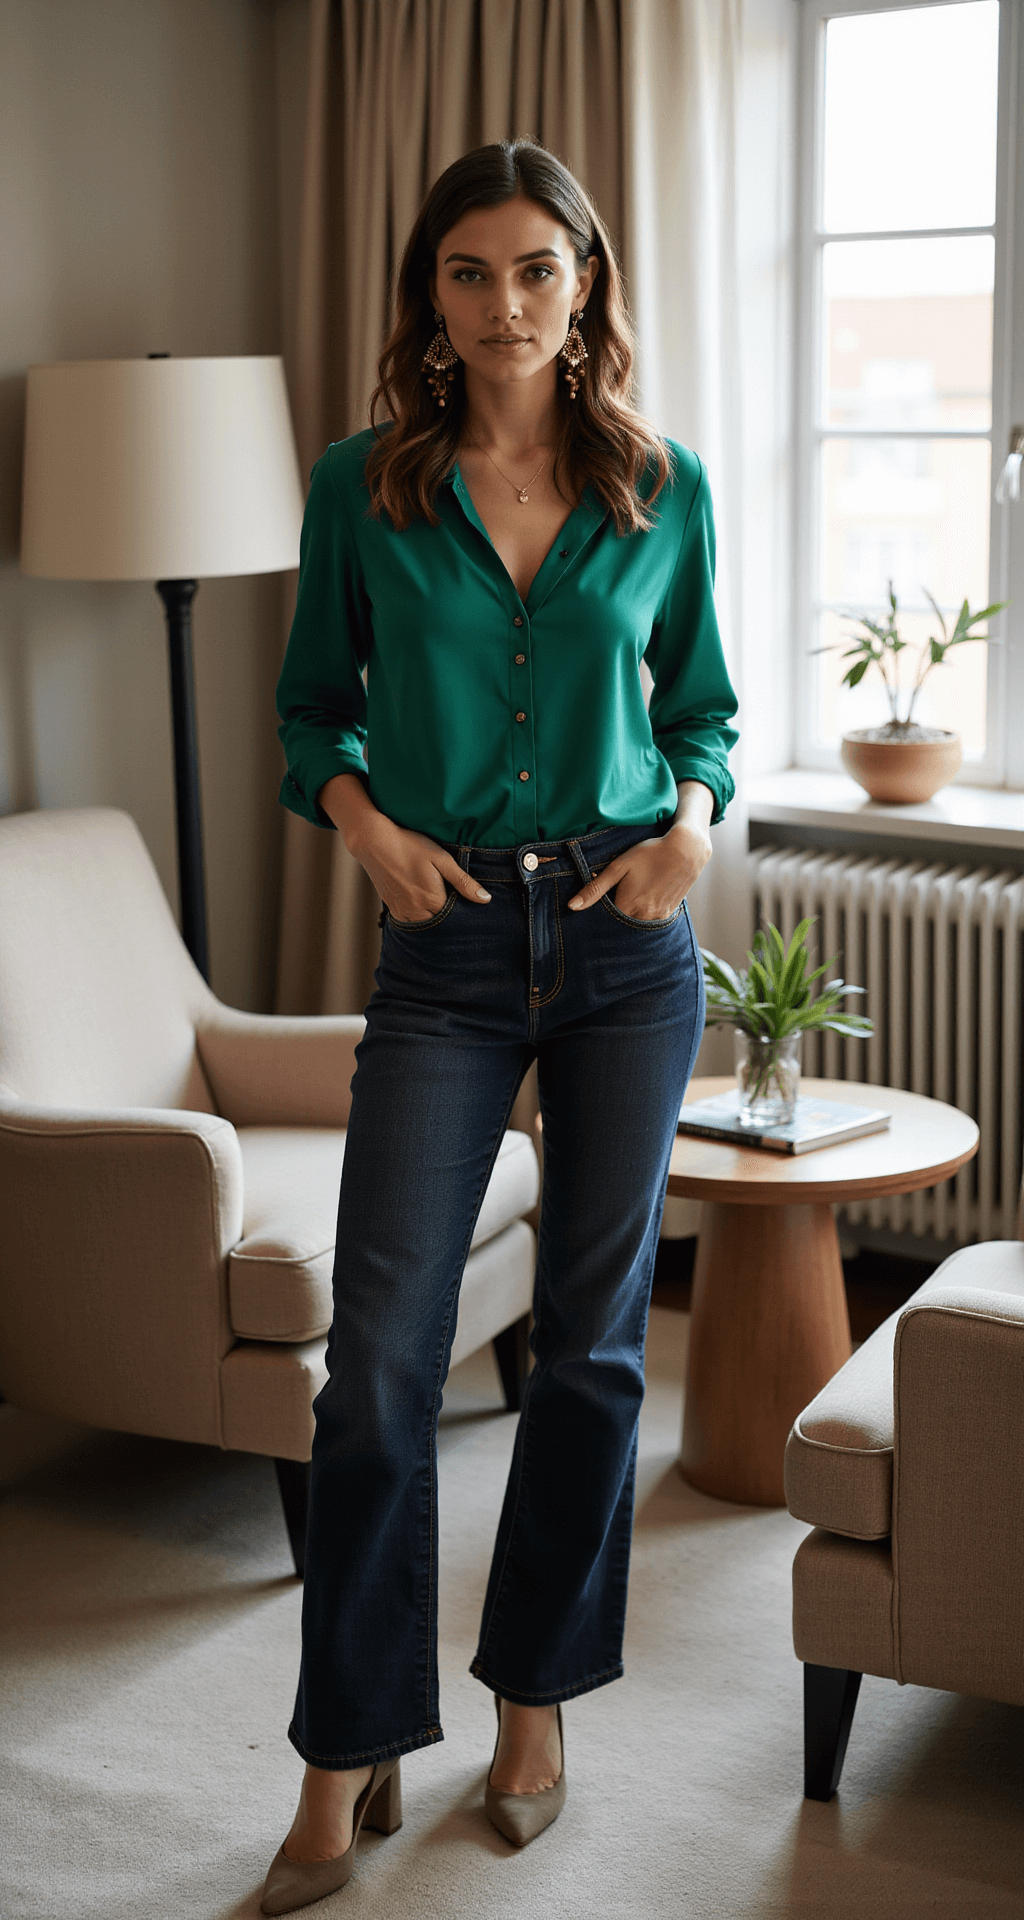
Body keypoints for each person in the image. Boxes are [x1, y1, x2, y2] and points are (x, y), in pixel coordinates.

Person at [261, 138, 738, 1916]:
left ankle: (531, 1703)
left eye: (540, 268)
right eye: (472, 272)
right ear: (431, 297)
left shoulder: (663, 485)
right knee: (381, 1360)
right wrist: (369, 828)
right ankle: (348, 1741)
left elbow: (704, 711)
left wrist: (691, 827)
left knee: (596, 1350)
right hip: (447, 947)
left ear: (586, 284)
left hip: (627, 940)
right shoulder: (360, 488)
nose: (508, 303)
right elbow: (314, 712)